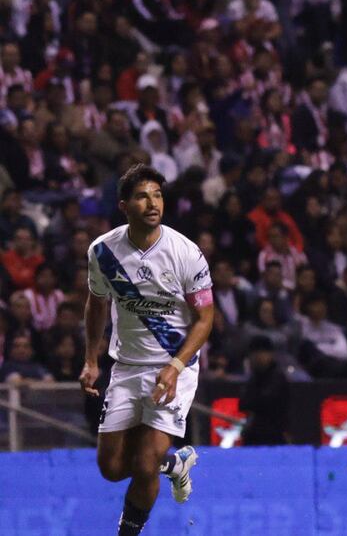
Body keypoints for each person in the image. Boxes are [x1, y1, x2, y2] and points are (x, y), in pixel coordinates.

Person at [78, 164, 215, 536]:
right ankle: (175, 466)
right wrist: (91, 359)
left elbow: (205, 318)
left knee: (143, 463)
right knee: (111, 468)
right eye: (142, 196)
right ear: (124, 206)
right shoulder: (103, 252)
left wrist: (174, 366)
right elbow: (96, 302)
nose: (152, 203)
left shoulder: (186, 253)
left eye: (157, 195)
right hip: (126, 365)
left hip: (176, 366)